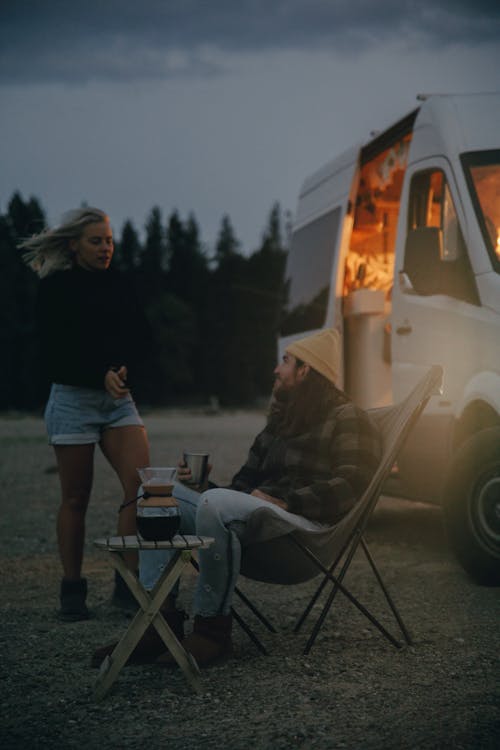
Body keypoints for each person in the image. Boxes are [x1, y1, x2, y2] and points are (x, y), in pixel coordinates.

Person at [92, 327, 381, 667]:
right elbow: (242, 488)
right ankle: (159, 625)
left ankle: (212, 632)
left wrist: (289, 502)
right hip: (261, 520)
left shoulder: (347, 417)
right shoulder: (281, 421)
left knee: (216, 503)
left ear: (306, 371)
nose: (276, 369)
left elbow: (354, 484)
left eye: (285, 361)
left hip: (302, 529)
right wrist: (204, 487)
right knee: (153, 494)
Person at [20, 208, 151, 621]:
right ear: (74, 245)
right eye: (96, 241)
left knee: (142, 488)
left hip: (117, 401)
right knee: (76, 497)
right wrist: (100, 373)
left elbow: (141, 337)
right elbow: (53, 353)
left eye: (109, 241)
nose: (105, 248)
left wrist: (128, 368)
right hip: (73, 399)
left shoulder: (120, 284)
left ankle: (127, 584)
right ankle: (72, 590)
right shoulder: (56, 289)